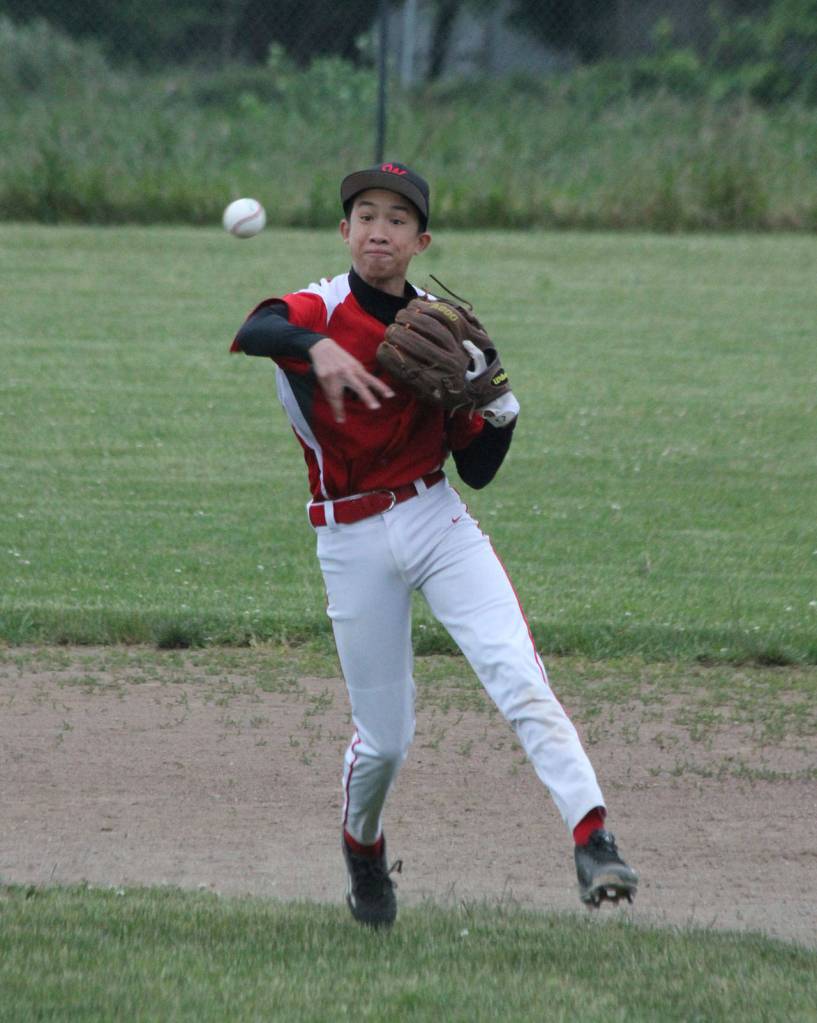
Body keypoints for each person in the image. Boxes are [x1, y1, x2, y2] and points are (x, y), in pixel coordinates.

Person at [230, 161, 638, 927]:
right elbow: (257, 329)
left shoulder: (442, 328)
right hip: (348, 537)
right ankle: (363, 848)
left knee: (517, 672)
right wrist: (313, 349)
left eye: (395, 218)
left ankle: (593, 837)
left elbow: (475, 469)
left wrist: (500, 408)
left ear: (422, 239)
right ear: (344, 231)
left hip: (435, 517)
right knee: (383, 745)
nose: (377, 228)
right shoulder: (319, 305)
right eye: (364, 215)